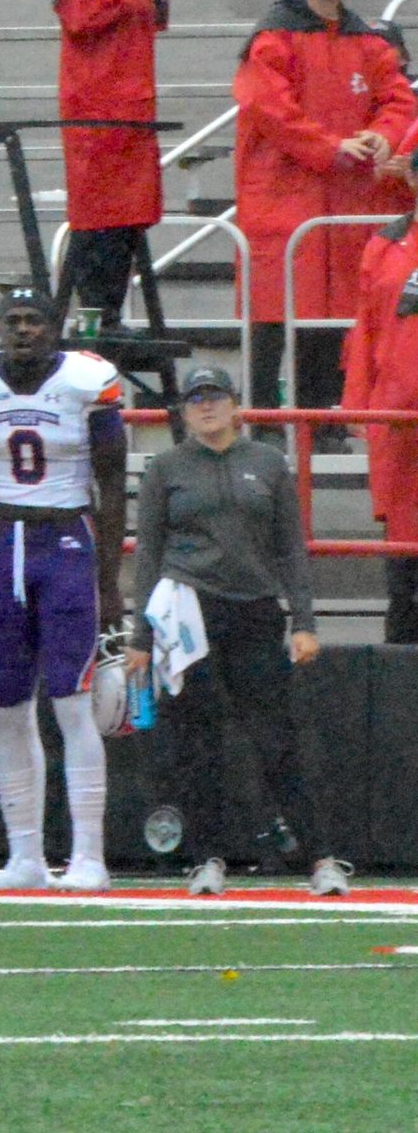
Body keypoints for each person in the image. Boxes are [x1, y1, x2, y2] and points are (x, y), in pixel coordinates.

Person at [122, 360, 348, 895]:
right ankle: (208, 858)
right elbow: (149, 554)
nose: (205, 405)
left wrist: (304, 620)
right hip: (188, 612)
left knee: (276, 738)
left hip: (254, 609)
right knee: (199, 741)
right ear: (183, 409)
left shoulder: (267, 464)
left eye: (215, 396)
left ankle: (319, 858)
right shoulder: (165, 468)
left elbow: (291, 547)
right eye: (196, 398)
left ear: (235, 405)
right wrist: (140, 637)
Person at [0, 288, 127, 890]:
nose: (24, 331)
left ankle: (88, 856)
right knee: (8, 706)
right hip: (4, 544)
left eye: (35, 321)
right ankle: (25, 856)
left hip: (66, 540)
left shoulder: (85, 381)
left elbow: (114, 486)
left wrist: (110, 580)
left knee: (72, 704)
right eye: (13, 321)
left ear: (56, 328)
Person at [232, 0, 414, 409]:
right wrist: (334, 146)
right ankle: (263, 424)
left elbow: (398, 98)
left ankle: (321, 427)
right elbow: (270, 110)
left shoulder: (365, 43)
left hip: (338, 202)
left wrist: (384, 135)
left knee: (329, 320)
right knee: (272, 320)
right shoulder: (272, 38)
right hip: (280, 202)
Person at [51, 0, 166, 330]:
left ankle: (105, 315)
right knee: (101, 224)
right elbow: (82, 16)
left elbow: (152, 17)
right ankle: (98, 316)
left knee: (120, 223)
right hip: (100, 113)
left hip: (124, 111)